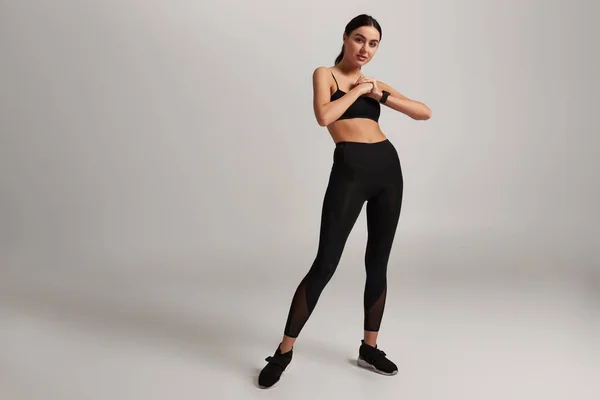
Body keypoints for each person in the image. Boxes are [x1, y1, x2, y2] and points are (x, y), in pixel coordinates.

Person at [258, 14, 431, 389]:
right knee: (325, 264)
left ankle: (370, 347)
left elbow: (424, 112)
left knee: (378, 261)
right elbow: (324, 116)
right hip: (351, 172)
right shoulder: (326, 74)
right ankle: (284, 352)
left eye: (373, 44)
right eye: (359, 39)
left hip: (388, 170)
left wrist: (380, 95)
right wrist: (357, 91)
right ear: (345, 38)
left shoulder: (374, 82)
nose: (365, 49)